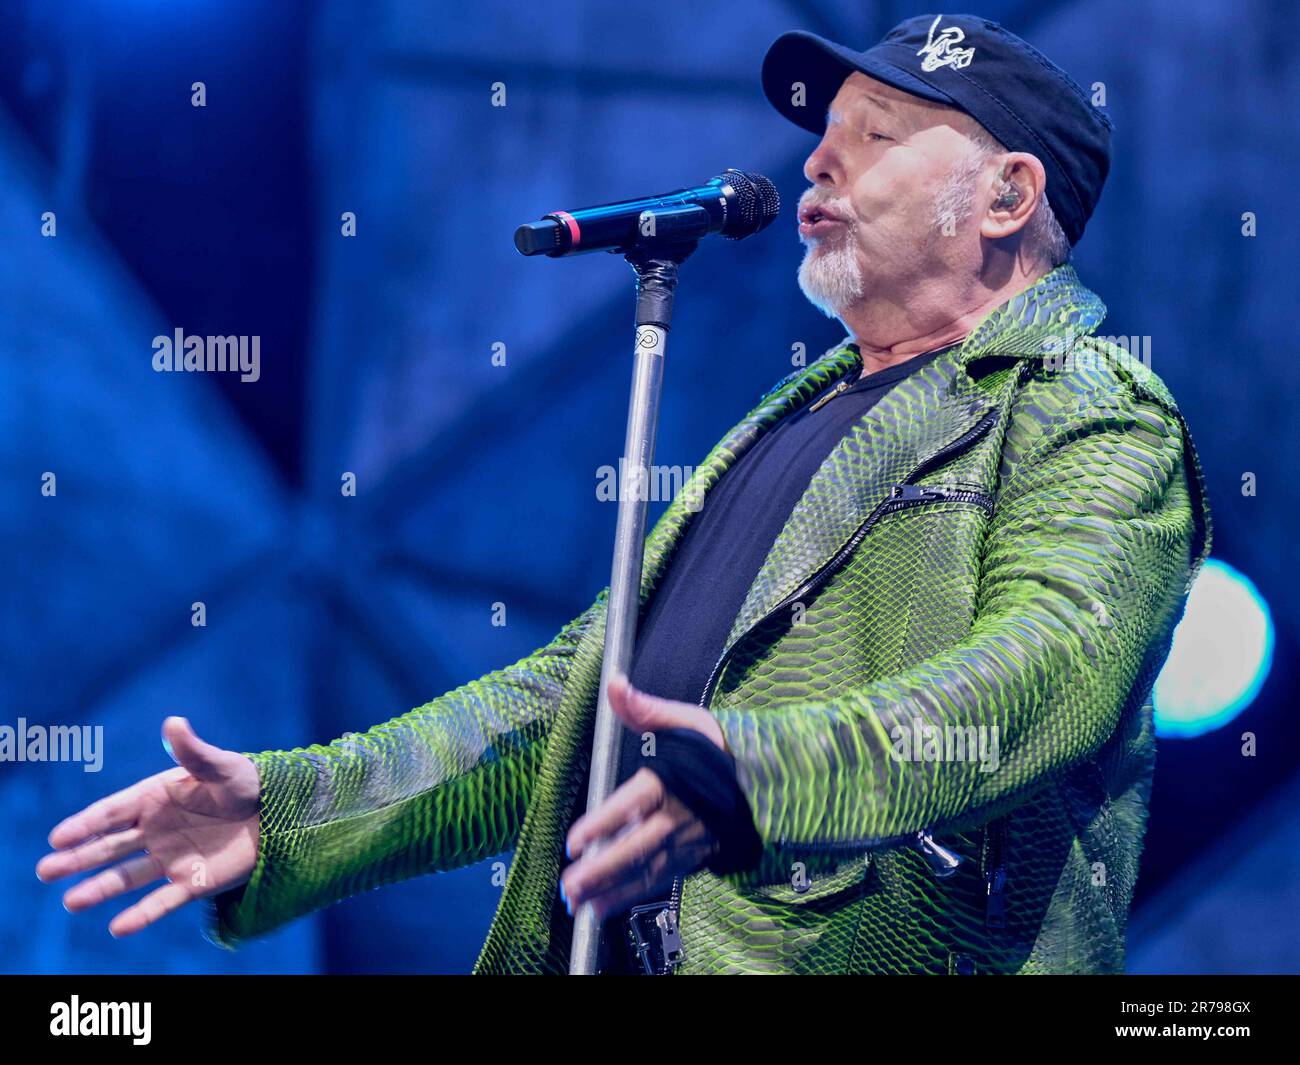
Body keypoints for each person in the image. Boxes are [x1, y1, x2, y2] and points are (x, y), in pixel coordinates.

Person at [37, 13, 1211, 974]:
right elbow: (563, 711)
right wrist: (294, 813)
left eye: (881, 133)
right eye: (824, 134)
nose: (816, 160)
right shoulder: (788, 421)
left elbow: (1043, 673)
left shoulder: (1088, 405)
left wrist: (748, 777)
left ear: (1007, 197)